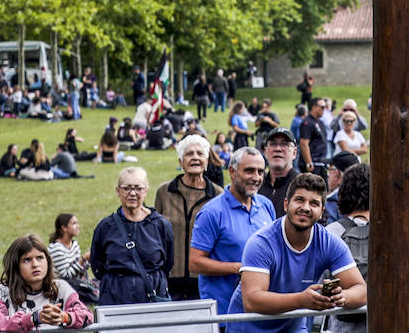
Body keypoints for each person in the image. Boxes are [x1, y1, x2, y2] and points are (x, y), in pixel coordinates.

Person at [226, 172, 366, 333]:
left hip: (293, 328)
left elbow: (362, 290)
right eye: (299, 200)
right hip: (249, 328)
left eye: (313, 203)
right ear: (286, 204)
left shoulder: (330, 243)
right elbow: (252, 301)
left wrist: (342, 297)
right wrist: (301, 300)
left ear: (321, 212)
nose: (305, 208)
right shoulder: (261, 242)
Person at [190, 147, 275, 314]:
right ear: (232, 172)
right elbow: (195, 263)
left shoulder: (266, 206)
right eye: (249, 171)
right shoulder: (212, 212)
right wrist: (240, 268)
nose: (256, 177)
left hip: (260, 310)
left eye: (260, 171)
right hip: (224, 312)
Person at [90, 167, 174, 305]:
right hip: (115, 297)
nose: (133, 193)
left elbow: (168, 263)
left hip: (151, 297)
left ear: (146, 190)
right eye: (127, 188)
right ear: (118, 191)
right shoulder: (105, 227)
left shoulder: (161, 225)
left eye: (138, 188)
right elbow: (98, 266)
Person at [153, 134, 223, 300]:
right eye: (189, 154)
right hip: (170, 278)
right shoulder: (164, 192)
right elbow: (155, 234)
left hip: (205, 279)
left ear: (207, 161)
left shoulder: (218, 195)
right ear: (180, 162)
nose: (195, 158)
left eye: (200, 154)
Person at [0, 233, 93, 330]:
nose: (35, 264)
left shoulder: (60, 287)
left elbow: (88, 316)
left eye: (40, 258)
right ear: (16, 266)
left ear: (47, 261)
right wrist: (34, 318)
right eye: (26, 260)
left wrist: (65, 317)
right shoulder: (4, 291)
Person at [48, 214, 95, 298]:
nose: (78, 226)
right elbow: (66, 275)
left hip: (75, 281)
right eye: (74, 223)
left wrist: (89, 260)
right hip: (61, 285)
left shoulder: (74, 245)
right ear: (64, 228)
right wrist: (83, 259)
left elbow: (79, 271)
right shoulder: (56, 249)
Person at [298, 98, 331, 179]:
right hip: (313, 163)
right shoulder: (307, 122)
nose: (324, 109)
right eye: (322, 107)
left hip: (320, 162)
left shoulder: (319, 122)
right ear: (314, 107)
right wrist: (309, 163)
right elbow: (303, 143)